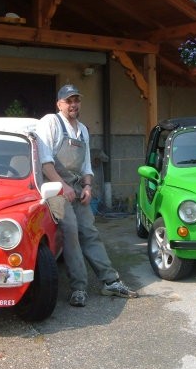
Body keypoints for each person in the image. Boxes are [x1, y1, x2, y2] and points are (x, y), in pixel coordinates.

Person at [35, 84, 138, 307]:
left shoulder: (82, 129)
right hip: (54, 189)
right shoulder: (50, 122)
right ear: (59, 104)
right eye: (68, 101)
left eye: (76, 100)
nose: (73, 105)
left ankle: (110, 281)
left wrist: (88, 186)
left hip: (76, 187)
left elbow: (86, 165)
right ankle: (78, 288)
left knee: (90, 232)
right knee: (70, 231)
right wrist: (62, 186)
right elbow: (45, 163)